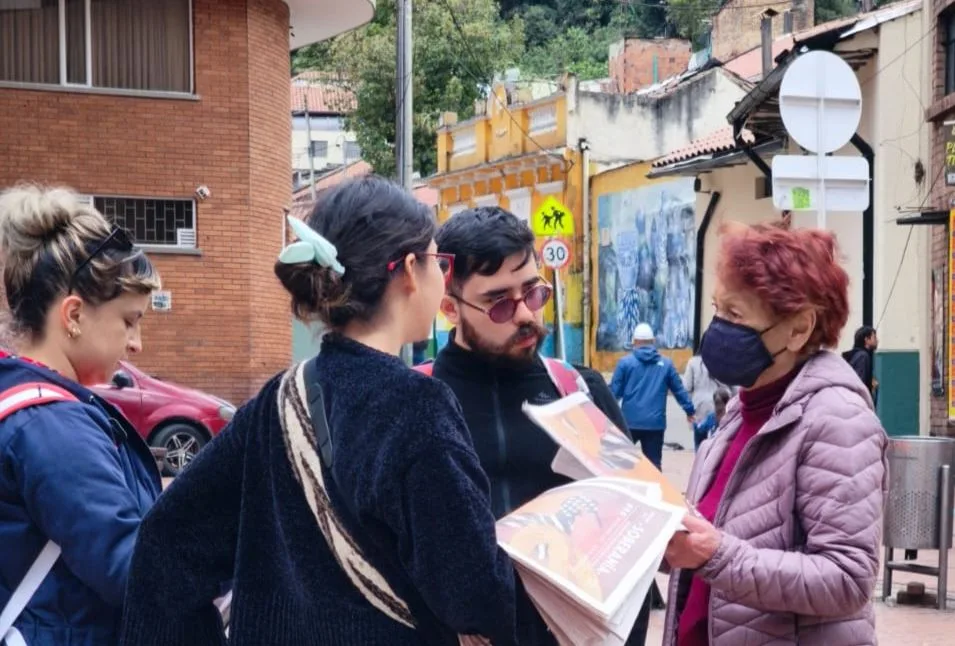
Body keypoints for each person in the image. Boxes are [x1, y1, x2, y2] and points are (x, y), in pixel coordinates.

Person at [119, 177, 549, 646]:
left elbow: (166, 544)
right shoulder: (418, 408)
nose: (443, 277)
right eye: (438, 261)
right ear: (410, 270)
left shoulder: (275, 401)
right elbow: (474, 591)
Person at [427, 206, 653, 645]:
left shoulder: (578, 391)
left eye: (533, 292)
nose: (526, 315)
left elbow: (639, 537)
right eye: (499, 303)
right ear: (450, 307)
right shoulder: (418, 403)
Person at [662, 222, 887, 645]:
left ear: (799, 329)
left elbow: (847, 578)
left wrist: (717, 555)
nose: (717, 328)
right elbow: (717, 541)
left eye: (735, 315)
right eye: (717, 309)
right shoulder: (740, 411)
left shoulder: (837, 420)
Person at [0, 185, 162, 645]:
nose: (136, 344)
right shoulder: (52, 427)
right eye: (128, 321)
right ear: (73, 315)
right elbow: (133, 570)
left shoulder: (21, 403)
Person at [610, 323, 695, 471]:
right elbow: (679, 390)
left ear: (634, 341)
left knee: (622, 464)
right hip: (655, 424)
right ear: (653, 341)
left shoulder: (625, 363)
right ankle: (653, 485)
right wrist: (690, 410)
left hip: (629, 422)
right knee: (654, 466)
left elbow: (614, 393)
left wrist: (604, 414)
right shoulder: (666, 364)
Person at [683, 349, 722, 421]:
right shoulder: (721, 360)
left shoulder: (693, 361)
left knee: (699, 427)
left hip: (698, 405)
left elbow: (687, 387)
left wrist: (689, 410)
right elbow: (731, 387)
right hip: (718, 404)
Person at [843, 325, 878, 397]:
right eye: (874, 337)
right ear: (867, 340)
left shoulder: (855, 355)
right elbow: (860, 383)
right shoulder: (863, 356)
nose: (877, 340)